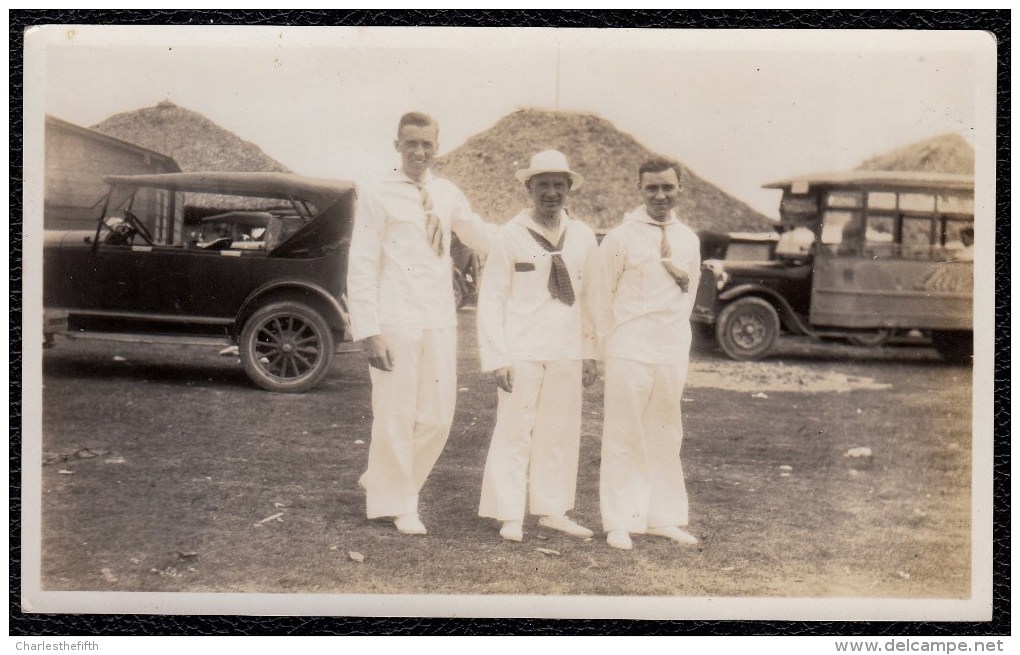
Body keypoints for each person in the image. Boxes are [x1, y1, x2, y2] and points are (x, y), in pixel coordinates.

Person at [346, 112, 493, 536]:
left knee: (437, 417)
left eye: (426, 144)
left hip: (439, 318)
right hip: (395, 318)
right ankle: (399, 504)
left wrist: (531, 239)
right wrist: (369, 330)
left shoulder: (446, 193)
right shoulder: (379, 193)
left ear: (437, 146)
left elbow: (478, 234)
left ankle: (385, 480)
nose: (419, 152)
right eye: (411, 143)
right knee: (396, 413)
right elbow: (362, 262)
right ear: (397, 145)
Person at [476, 150, 599, 542]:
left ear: (568, 189)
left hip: (566, 348)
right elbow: (491, 298)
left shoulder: (582, 235)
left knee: (559, 431)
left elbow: (592, 298)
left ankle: (553, 510)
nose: (551, 192)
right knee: (515, 430)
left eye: (558, 185)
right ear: (529, 187)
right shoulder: (509, 235)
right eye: (542, 184)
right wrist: (497, 356)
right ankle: (508, 513)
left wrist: (591, 352)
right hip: (521, 350)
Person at [585, 158, 701, 551]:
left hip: (670, 349)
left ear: (679, 188)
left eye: (667, 187)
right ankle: (619, 520)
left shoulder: (688, 239)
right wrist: (604, 350)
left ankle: (661, 518)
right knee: (623, 433)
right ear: (639, 188)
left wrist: (671, 337)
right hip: (629, 348)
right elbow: (601, 297)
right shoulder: (621, 237)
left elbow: (690, 293)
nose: (660, 195)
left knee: (666, 433)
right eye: (651, 188)